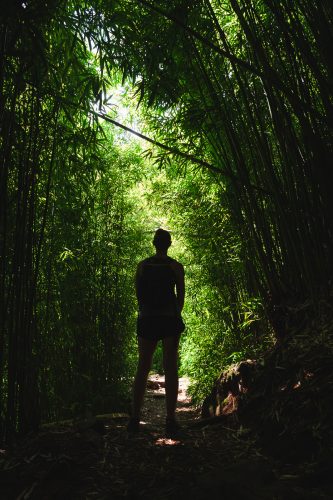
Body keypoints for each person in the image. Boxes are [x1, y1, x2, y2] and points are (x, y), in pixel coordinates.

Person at [127, 228, 185, 436]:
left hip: (147, 318)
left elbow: (139, 296)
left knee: (143, 366)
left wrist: (148, 312)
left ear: (154, 244)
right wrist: (173, 314)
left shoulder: (142, 266)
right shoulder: (176, 267)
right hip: (169, 318)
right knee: (170, 367)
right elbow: (181, 298)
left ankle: (134, 419)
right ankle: (170, 420)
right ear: (168, 244)